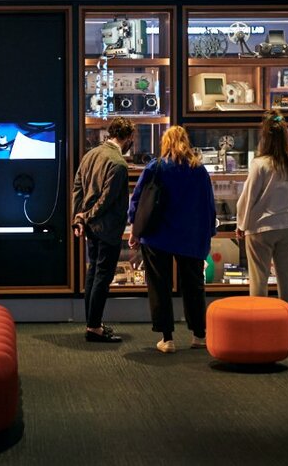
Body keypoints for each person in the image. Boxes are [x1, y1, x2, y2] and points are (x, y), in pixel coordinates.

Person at [128, 126, 216, 353]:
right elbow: (209, 204)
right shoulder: (199, 170)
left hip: (158, 236)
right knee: (194, 286)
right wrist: (208, 233)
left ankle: (167, 339)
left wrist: (135, 231)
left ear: (164, 143)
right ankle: (199, 335)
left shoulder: (156, 167)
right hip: (191, 236)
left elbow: (139, 200)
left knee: (160, 285)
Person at [236, 110, 288, 332]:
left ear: (264, 137)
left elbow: (248, 197)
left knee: (258, 277)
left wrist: (241, 224)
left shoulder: (260, 164)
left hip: (261, 226)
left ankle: (258, 319)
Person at [72, 116, 135, 342]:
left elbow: (77, 187)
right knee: (102, 276)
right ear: (128, 138)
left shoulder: (90, 155)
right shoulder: (118, 163)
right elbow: (107, 200)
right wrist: (86, 216)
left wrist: (78, 219)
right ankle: (94, 327)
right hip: (107, 227)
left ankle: (92, 324)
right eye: (131, 140)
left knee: (93, 274)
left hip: (91, 227)